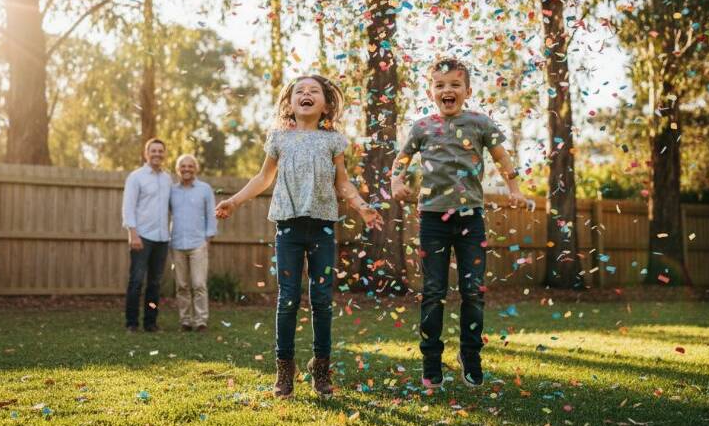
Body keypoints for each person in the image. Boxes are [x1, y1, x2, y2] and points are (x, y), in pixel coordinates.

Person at [215, 74, 383, 399]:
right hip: (288, 227)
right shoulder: (279, 138)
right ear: (290, 103)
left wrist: (362, 207)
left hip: (321, 226)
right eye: (299, 92)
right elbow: (264, 177)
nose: (306, 94)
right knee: (288, 299)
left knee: (322, 301)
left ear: (326, 103)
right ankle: (285, 370)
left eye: (314, 91)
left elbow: (343, 182)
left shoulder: (332, 140)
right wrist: (235, 201)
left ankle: (321, 368)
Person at [390, 57, 531, 389]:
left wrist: (514, 189)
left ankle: (470, 356)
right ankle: (431, 360)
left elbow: (501, 157)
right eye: (440, 85)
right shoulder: (422, 127)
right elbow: (402, 159)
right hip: (432, 219)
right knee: (433, 291)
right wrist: (397, 182)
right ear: (431, 92)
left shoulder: (481, 123)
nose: (447, 90)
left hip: (471, 220)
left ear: (467, 90)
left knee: (473, 291)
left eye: (454, 84)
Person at [121, 138, 172, 333]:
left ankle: (150, 323)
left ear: (164, 154)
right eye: (153, 151)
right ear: (146, 153)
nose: (157, 154)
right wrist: (133, 234)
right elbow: (128, 207)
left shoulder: (167, 179)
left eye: (160, 151)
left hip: (162, 239)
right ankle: (132, 323)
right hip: (141, 237)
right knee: (136, 282)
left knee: (155, 284)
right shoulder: (136, 177)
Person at [169, 154, 216, 332]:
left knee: (199, 285)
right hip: (177, 244)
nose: (186, 169)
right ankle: (186, 320)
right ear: (178, 169)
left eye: (190, 166)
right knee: (181, 286)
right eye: (183, 166)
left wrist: (208, 239)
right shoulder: (171, 190)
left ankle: (201, 320)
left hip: (198, 244)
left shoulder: (204, 189)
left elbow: (211, 216)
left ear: (195, 169)